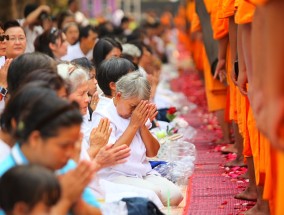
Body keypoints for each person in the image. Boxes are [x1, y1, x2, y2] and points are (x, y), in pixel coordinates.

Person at [0, 83, 101, 215]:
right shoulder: (6, 177)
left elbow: (96, 212)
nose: (71, 154)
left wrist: (77, 202)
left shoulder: (65, 166)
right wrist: (65, 200)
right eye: (64, 146)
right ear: (35, 138)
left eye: (74, 144)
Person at [92, 72, 184, 206]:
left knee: (175, 196)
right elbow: (112, 157)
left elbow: (153, 152)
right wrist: (134, 125)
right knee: (153, 194)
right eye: (133, 106)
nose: (136, 111)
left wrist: (142, 125)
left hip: (143, 172)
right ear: (118, 96)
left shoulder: (137, 115)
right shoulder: (103, 115)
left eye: (140, 107)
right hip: (115, 175)